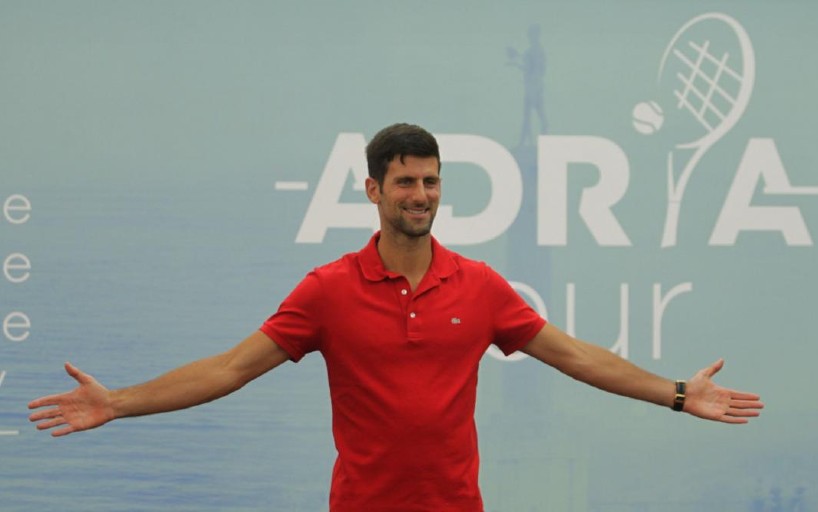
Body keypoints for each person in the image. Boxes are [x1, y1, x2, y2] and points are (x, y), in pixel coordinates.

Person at [29, 123, 763, 512]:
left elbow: (575, 356)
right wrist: (117, 403)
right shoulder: (327, 290)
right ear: (374, 190)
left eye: (431, 181)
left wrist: (677, 393)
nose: (421, 194)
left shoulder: (479, 286)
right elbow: (229, 368)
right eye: (406, 181)